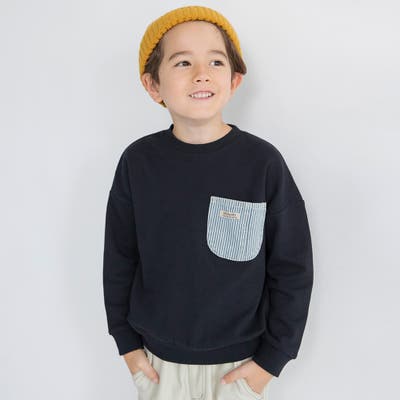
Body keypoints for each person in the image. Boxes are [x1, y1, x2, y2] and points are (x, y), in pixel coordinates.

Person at [102, 5, 314, 400]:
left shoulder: (262, 163)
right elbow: (119, 258)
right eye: (183, 62)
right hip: (158, 366)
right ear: (152, 85)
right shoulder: (138, 162)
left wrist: (271, 361)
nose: (201, 73)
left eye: (216, 61)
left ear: (234, 80)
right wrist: (127, 345)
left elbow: (292, 268)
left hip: (240, 368)